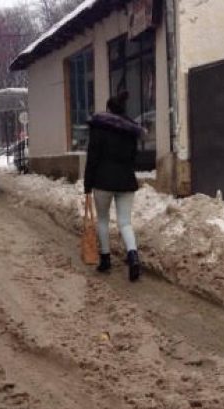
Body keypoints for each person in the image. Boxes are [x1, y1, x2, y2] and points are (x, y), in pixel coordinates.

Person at [83, 92, 144, 282]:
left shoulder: (99, 127)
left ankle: (105, 258)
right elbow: (134, 158)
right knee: (125, 222)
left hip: (102, 181)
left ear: (109, 109)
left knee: (102, 219)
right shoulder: (130, 130)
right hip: (126, 181)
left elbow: (92, 157)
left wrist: (87, 184)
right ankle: (133, 257)